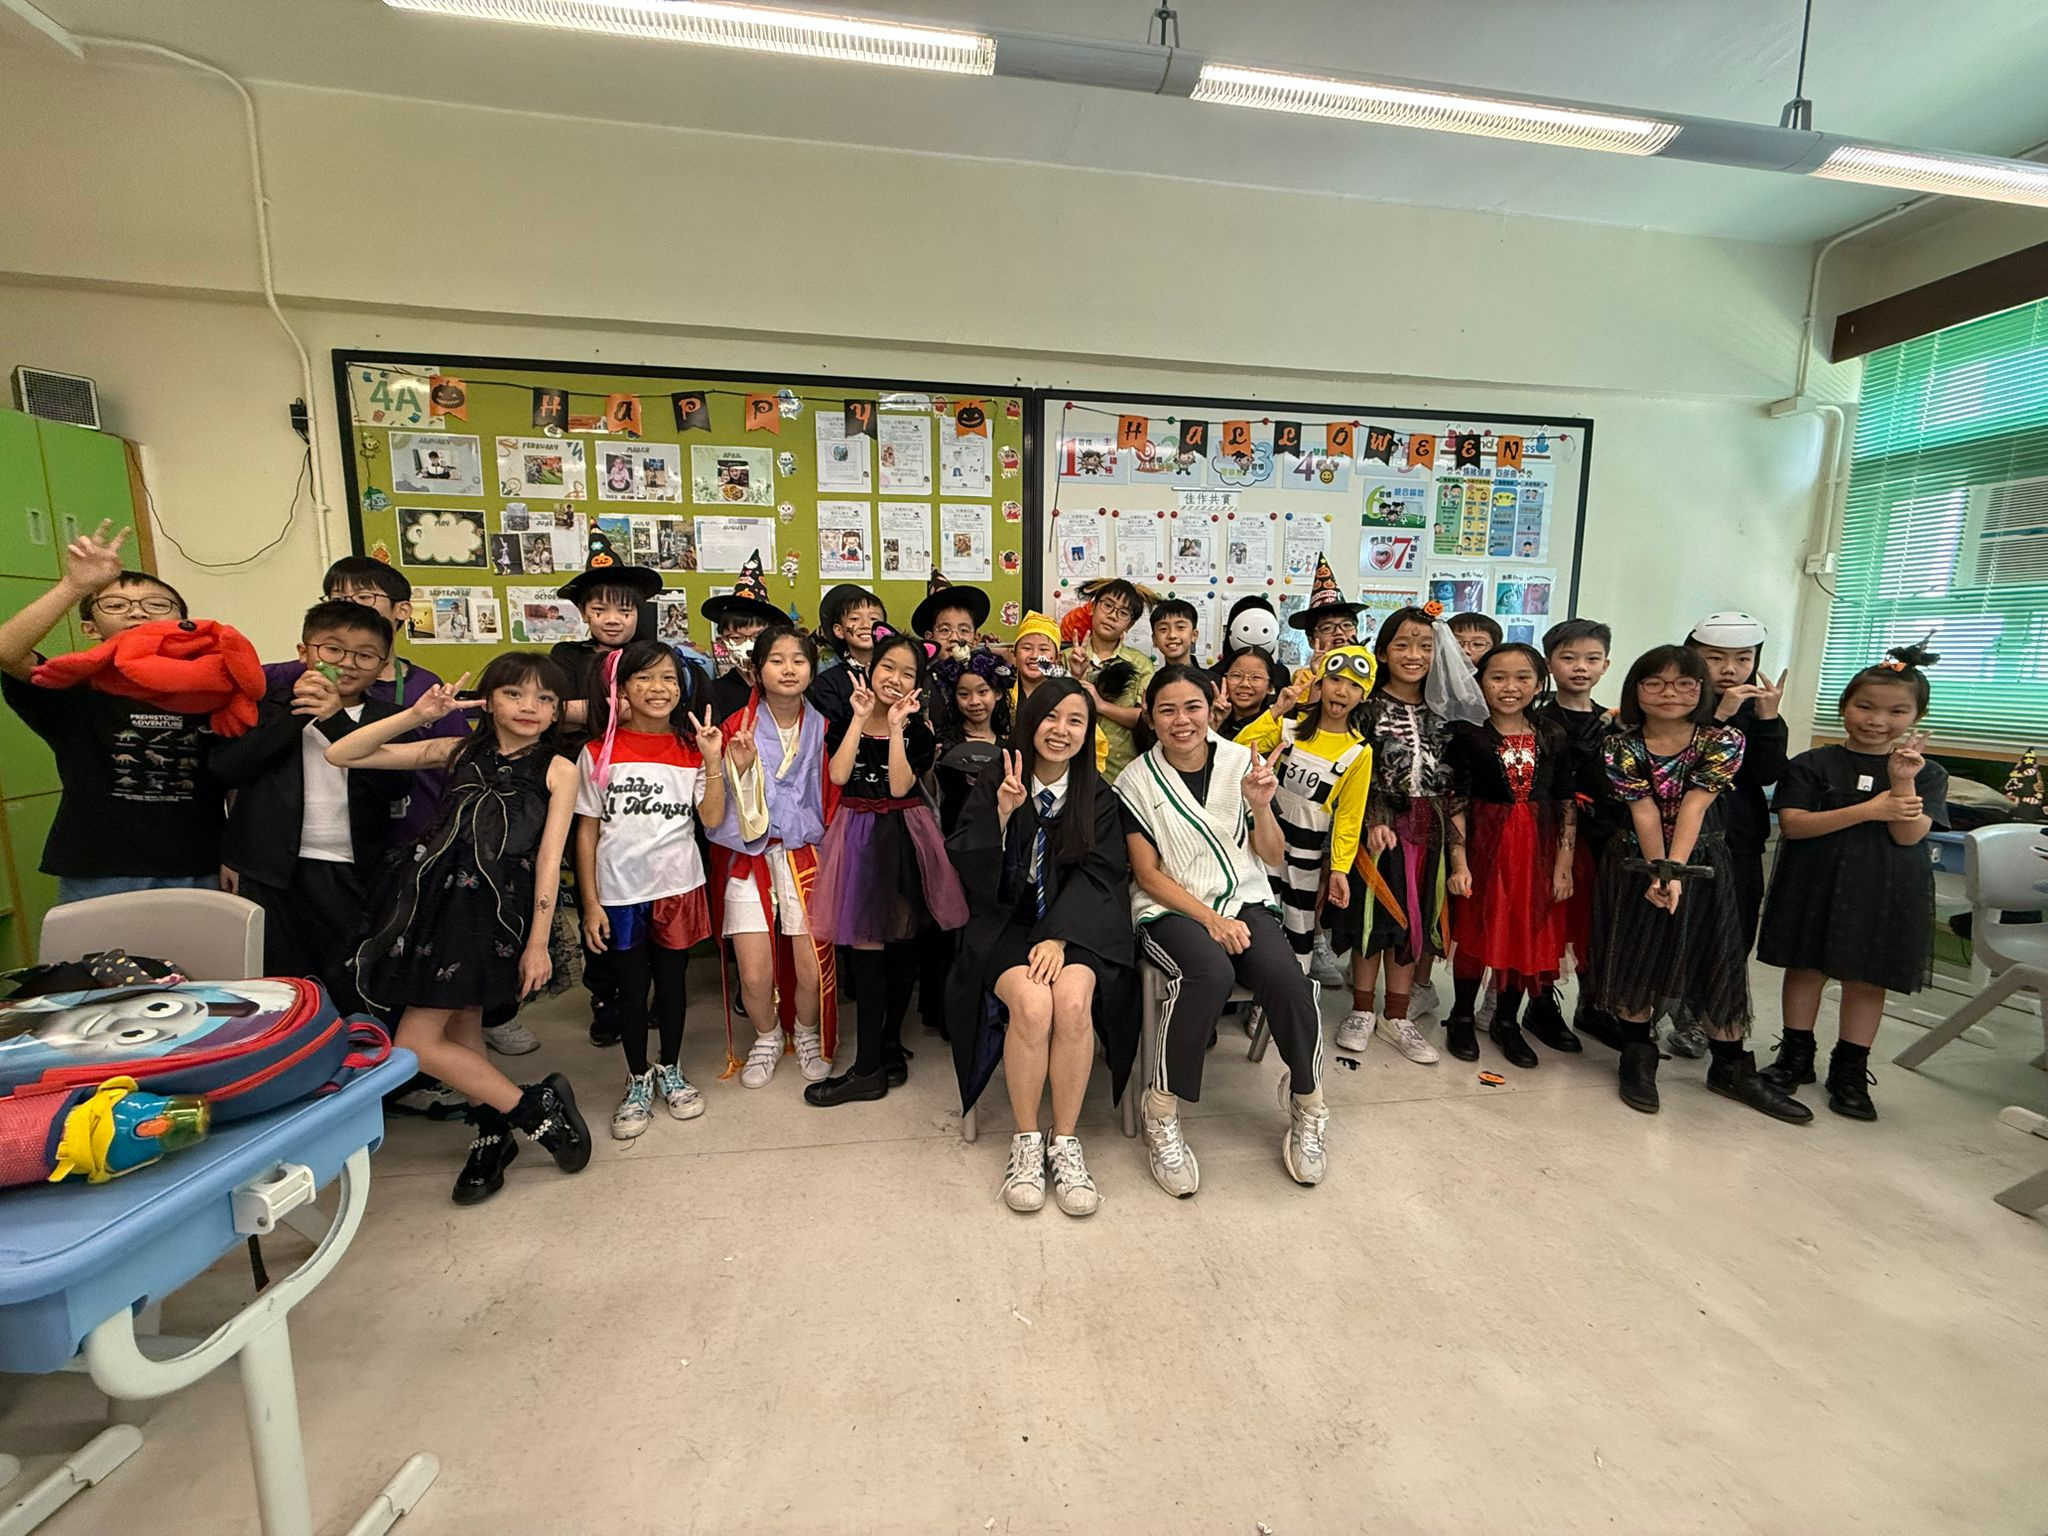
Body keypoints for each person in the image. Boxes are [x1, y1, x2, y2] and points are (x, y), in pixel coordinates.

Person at [333, 654, 593, 1205]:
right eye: (514, 693)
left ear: (556, 713)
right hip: (431, 902)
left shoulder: (559, 768)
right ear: (489, 700)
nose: (529, 707)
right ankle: (496, 1129)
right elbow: (343, 753)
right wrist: (417, 715)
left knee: (415, 1042)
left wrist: (540, 942)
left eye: (545, 699)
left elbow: (550, 860)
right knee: (459, 1030)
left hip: (494, 911)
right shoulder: (454, 749)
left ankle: (534, 1111)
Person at [1118, 667, 1329, 1197]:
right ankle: (1161, 1107)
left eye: (1192, 707)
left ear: (1212, 706)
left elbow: (1273, 856)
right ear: (1149, 717)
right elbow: (1147, 875)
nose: (1181, 720)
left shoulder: (1242, 762)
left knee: (1287, 978)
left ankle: (1308, 1100)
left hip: (1243, 897)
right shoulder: (1136, 780)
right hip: (1169, 908)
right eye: (1166, 710)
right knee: (1208, 973)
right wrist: (1210, 920)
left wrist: (1260, 806)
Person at [1589, 645, 1807, 1123]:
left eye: (1684, 684)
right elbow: (1644, 810)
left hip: (1703, 859)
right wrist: (1658, 872)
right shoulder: (1619, 745)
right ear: (1635, 690)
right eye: (1655, 683)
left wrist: (1675, 870)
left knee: (1717, 955)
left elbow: (1694, 805)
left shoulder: (1723, 739)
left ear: (1701, 690)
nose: (1669, 693)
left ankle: (1730, 1066)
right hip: (1635, 859)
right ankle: (1636, 1056)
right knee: (1636, 953)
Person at [947, 680, 1134, 1217]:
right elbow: (967, 863)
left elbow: (1103, 875)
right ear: (1030, 720)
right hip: (1006, 921)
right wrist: (1003, 816)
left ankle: (1066, 1142)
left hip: (1076, 926)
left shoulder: (1096, 795)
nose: (1061, 730)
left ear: (1088, 732)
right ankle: (1027, 1140)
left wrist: (1059, 935)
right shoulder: (998, 777)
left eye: (1076, 721)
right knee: (1032, 1005)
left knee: (1072, 1002)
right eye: (1051, 717)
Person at [1756, 644, 1946, 1120]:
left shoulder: (1927, 773)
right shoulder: (1813, 763)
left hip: (1884, 886)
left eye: (1896, 711)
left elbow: (1908, 835)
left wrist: (1901, 781)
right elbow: (1795, 825)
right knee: (1805, 967)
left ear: (1917, 716)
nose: (1877, 720)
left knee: (1867, 977)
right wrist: (1869, 810)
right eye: (1865, 706)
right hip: (1815, 880)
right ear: (1844, 706)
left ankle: (1851, 1070)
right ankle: (1795, 1054)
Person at [0, 521, 226, 905]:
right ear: (90, 628)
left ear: (184, 624)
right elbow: (7, 652)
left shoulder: (211, 689)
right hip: (101, 870)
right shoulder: (74, 689)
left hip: (201, 864)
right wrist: (74, 586)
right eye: (116, 605)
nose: (137, 613)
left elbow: (239, 777)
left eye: (157, 605)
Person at [212, 601, 409, 1014]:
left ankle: (358, 1045)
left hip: (349, 867)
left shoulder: (389, 718)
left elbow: (395, 786)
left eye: (365, 655)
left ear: (381, 665)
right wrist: (297, 714)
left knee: (348, 972)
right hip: (269, 867)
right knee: (280, 980)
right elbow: (228, 769)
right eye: (333, 649)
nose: (347, 663)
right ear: (304, 652)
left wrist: (336, 720)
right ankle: (294, 1048)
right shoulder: (266, 707)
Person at [807, 633, 969, 1104]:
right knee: (866, 946)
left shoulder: (919, 732)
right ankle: (868, 1066)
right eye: (888, 668)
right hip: (856, 834)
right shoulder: (844, 720)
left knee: (900, 943)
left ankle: (890, 1044)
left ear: (918, 684)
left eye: (907, 673)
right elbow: (839, 775)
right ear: (870, 668)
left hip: (902, 835)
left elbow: (900, 787)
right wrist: (860, 719)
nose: (895, 679)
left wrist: (897, 727)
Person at [574, 640, 725, 1138]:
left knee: (674, 986)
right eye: (644, 678)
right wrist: (590, 903)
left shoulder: (690, 749)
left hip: (678, 887)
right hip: (619, 893)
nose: (658, 688)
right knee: (632, 990)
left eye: (668, 678)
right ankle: (638, 1077)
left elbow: (712, 818)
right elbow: (587, 831)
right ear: (620, 689)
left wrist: (712, 759)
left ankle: (672, 1069)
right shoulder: (597, 752)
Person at [548, 533, 666, 1049]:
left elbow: (664, 710)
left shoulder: (651, 658)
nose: (613, 619)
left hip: (648, 785)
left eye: (625, 609)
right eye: (600, 609)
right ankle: (606, 995)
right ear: (584, 613)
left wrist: (591, 711)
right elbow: (555, 711)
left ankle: (655, 987)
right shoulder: (567, 657)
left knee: (654, 891)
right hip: (589, 787)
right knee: (595, 887)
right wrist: (617, 711)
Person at [709, 626, 839, 1086]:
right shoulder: (734, 727)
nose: (788, 669)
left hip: (806, 857)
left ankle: (804, 1032)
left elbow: (833, 797)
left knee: (811, 967)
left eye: (798, 660)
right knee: (754, 973)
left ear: (812, 669)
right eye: (776, 660)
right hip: (749, 857)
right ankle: (766, 1036)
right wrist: (736, 768)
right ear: (756, 670)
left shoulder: (824, 727)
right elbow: (714, 811)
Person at [1333, 607, 1458, 1064]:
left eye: (1425, 646)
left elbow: (1454, 781)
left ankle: (1397, 1015)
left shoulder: (1444, 712)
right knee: (1373, 917)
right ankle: (1362, 1008)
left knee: (1414, 918)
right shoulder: (1364, 709)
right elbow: (1350, 768)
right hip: (1377, 829)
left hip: (1429, 828)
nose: (1414, 655)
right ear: (1383, 652)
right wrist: (1373, 819)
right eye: (1402, 645)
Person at [1442, 644, 1577, 1068]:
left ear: (1539, 684)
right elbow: (1456, 801)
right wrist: (1459, 862)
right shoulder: (1469, 734)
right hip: (1485, 845)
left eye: (1522, 677)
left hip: (1537, 849)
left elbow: (1565, 800)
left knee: (1525, 930)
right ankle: (1462, 1015)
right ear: (1481, 682)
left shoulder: (1552, 734)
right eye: (1497, 677)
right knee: (1476, 926)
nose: (1509, 687)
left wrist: (1563, 865)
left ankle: (1506, 1020)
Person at [1234, 647, 1375, 976]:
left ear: (1364, 696)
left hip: (1307, 849)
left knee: (1298, 918)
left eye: (1354, 685)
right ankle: (1254, 982)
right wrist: (1277, 710)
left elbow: (1349, 817)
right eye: (1335, 680)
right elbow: (1238, 748)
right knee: (1259, 908)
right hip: (1264, 835)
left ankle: (1294, 984)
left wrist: (1339, 869)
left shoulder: (1359, 751)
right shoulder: (1288, 728)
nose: (1342, 691)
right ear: (1319, 684)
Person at [1685, 612, 1788, 983]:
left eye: (1744, 658)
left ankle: (1712, 1007)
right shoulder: (1674, 705)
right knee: (1678, 933)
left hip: (1738, 840)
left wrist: (1768, 720)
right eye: (1715, 658)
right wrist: (1720, 716)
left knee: (1732, 933)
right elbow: (1680, 768)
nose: (1730, 669)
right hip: (1680, 840)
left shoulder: (1761, 712)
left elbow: (1766, 775)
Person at [1532, 617, 1620, 1050]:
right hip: (1547, 835)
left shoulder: (1617, 723)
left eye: (1591, 658)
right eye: (1568, 658)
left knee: (1594, 921)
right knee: (1549, 920)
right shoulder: (1535, 719)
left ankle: (1593, 1005)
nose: (1580, 667)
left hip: (1602, 836)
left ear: (1606, 665)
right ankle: (1540, 1005)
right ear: (1549, 663)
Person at [1064, 579, 1152, 783]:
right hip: (1072, 770)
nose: (1112, 615)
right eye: (1108, 605)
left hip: (1122, 774)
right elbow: (1053, 708)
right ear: (1093, 607)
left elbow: (1145, 716)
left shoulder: (1140, 664)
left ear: (1129, 624)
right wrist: (1076, 677)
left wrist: (1101, 705)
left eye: (1123, 613)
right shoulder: (1067, 657)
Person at [700, 559, 786, 723]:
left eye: (757, 636)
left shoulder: (788, 686)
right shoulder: (712, 694)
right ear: (722, 642)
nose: (749, 646)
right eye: (736, 638)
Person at [808, 583, 886, 726]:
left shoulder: (894, 673)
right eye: (855, 619)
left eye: (874, 619)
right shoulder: (828, 681)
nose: (866, 625)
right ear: (839, 630)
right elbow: (833, 729)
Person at [1285, 557, 1366, 689]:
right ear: (1311, 640)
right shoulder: (1304, 677)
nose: (1339, 632)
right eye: (1327, 628)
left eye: (1347, 625)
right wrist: (1319, 674)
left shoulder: (1369, 670)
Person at [1216, 648, 1293, 741]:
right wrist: (1214, 723)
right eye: (1236, 675)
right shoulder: (1211, 717)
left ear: (1270, 687)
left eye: (1256, 677)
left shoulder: (1280, 728)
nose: (1245, 684)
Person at [912, 574, 989, 662]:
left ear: (975, 640)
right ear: (930, 639)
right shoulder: (918, 670)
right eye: (945, 630)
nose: (954, 638)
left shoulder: (987, 668)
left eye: (963, 630)